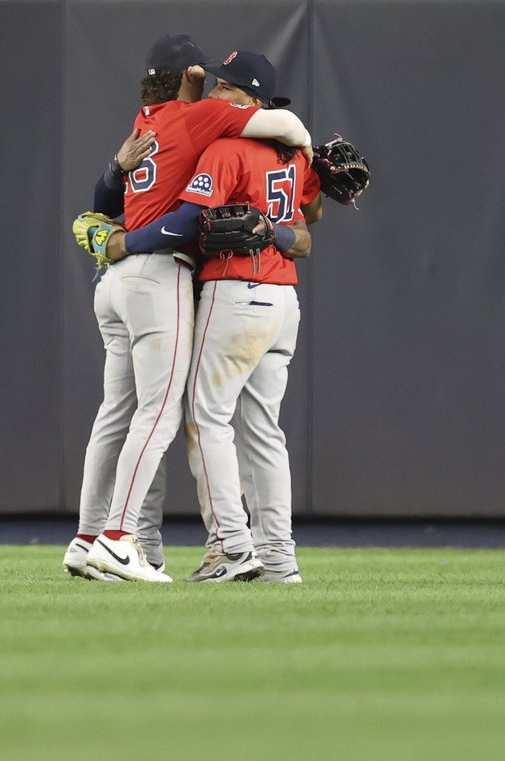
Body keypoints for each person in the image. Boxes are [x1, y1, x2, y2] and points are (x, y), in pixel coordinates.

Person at [63, 35, 314, 584]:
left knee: (163, 416)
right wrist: (306, 158)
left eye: (227, 86)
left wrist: (123, 232)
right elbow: (305, 226)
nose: (216, 92)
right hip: (271, 295)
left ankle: (138, 540)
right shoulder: (257, 145)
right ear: (192, 77)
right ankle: (273, 557)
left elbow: (128, 208)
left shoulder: (159, 125)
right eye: (210, 81)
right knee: (245, 429)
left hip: (192, 285)